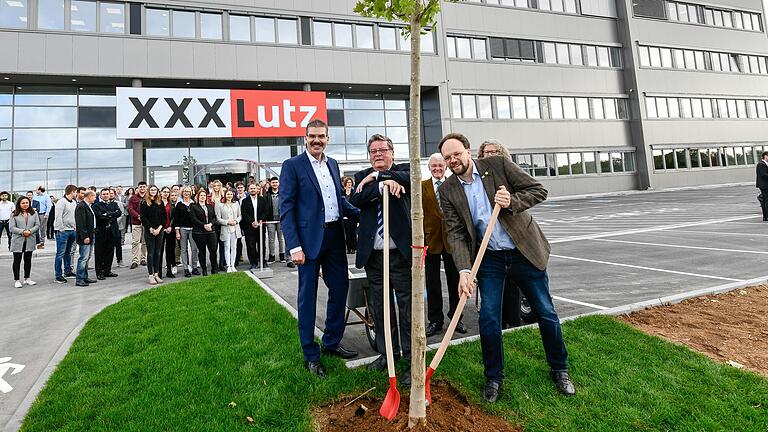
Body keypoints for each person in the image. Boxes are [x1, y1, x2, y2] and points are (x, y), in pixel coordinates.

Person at [438, 133, 575, 402]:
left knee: (545, 312)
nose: (453, 160)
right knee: (489, 317)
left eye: (457, 154)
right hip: (489, 258)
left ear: (468, 151)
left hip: (523, 250)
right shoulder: (447, 189)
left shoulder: (497, 165)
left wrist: (512, 201)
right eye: (447, 157)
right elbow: (455, 233)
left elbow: (538, 190)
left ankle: (560, 369)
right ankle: (494, 378)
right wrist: (465, 271)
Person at [280, 118, 360, 378]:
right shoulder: (293, 166)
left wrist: (365, 213)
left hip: (335, 238)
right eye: (312, 136)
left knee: (340, 289)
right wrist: (294, 246)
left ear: (328, 138)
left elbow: (339, 201)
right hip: (308, 242)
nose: (317, 140)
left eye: (321, 136)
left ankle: (331, 342)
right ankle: (310, 354)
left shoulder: (333, 164)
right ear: (305, 138)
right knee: (308, 297)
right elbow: (287, 208)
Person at [350, 133, 412, 385]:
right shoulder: (359, 177)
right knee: (381, 307)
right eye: (373, 151)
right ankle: (388, 354)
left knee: (407, 307)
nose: (378, 154)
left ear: (392, 153)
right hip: (374, 256)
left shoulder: (404, 171)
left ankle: (410, 357)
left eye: (383, 150)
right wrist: (382, 187)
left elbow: (410, 179)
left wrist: (380, 177)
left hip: (400, 255)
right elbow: (356, 198)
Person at [479, 139, 523, 329]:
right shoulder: (478, 176)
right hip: (489, 242)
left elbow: (530, 193)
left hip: (512, 239)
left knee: (513, 287)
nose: (490, 155)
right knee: (492, 290)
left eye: (494, 151)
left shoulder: (510, 172)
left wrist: (510, 200)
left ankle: (513, 324)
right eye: (486, 152)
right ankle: (498, 325)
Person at [422, 153, 466, 338]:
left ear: (445, 167)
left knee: (455, 281)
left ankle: (457, 318)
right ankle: (435, 320)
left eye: (441, 166)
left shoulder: (454, 184)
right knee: (432, 284)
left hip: (452, 241)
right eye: (434, 166)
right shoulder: (422, 186)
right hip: (430, 241)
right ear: (429, 168)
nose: (438, 169)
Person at [9, 196, 39, 288]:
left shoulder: (34, 213)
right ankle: (17, 280)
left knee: (28, 260)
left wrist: (30, 231)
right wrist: (23, 232)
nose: (25, 204)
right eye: (23, 203)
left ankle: (27, 278)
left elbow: (37, 225)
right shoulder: (14, 214)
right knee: (17, 261)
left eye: (27, 202)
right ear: (19, 204)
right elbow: (12, 228)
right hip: (18, 240)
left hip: (30, 240)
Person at [93, 188, 121, 280]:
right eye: (104, 194)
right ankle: (100, 272)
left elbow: (119, 213)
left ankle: (107, 271)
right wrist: (112, 214)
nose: (105, 195)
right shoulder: (96, 205)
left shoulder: (114, 204)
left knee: (110, 252)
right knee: (100, 253)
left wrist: (107, 214)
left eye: (107, 194)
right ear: (100, 195)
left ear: (110, 195)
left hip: (112, 231)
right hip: (101, 232)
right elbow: (100, 217)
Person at [190, 189, 218, 276]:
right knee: (202, 251)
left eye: (204, 196)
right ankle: (204, 270)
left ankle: (214, 269)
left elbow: (214, 217)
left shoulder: (210, 206)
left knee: (213, 251)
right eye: (201, 195)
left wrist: (210, 224)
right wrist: (204, 225)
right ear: (198, 197)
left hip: (211, 231)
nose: (203, 197)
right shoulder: (194, 206)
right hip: (199, 232)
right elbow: (193, 219)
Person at [141, 185, 166, 285]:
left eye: (155, 190)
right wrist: (151, 229)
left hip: (160, 230)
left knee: (158, 252)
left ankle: (156, 274)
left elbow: (164, 217)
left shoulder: (160, 202)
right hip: (149, 230)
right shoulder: (144, 203)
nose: (153, 191)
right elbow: (143, 217)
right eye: (151, 190)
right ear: (148, 191)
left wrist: (159, 228)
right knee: (151, 253)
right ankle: (150, 275)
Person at [240, 183, 268, 271]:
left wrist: (260, 220)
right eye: (251, 188)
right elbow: (244, 213)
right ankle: (253, 262)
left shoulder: (262, 199)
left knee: (261, 244)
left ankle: (262, 260)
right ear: (248, 190)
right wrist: (252, 222)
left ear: (257, 190)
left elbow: (266, 211)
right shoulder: (244, 201)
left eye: (254, 188)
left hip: (260, 226)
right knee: (250, 245)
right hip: (249, 227)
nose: (252, 190)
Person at [53, 185, 78, 283]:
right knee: (60, 253)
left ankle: (67, 271)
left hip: (72, 230)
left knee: (68, 252)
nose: (76, 194)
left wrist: (75, 227)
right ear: (72, 192)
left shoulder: (74, 202)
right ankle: (58, 275)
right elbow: (58, 216)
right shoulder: (61, 202)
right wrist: (61, 228)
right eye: (76, 192)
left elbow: (73, 216)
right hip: (62, 231)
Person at [74, 190, 98, 287]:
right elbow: (80, 223)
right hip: (85, 237)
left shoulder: (88, 206)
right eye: (94, 197)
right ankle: (79, 279)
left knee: (87, 257)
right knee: (83, 258)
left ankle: (85, 277)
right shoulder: (81, 206)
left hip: (91, 235)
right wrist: (85, 236)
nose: (95, 199)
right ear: (89, 196)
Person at [175, 186, 200, 277]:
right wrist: (177, 232)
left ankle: (194, 267)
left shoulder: (194, 204)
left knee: (194, 249)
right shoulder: (179, 204)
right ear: (182, 193)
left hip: (193, 229)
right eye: (184, 191)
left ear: (190, 193)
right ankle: (186, 269)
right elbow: (176, 219)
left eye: (188, 191)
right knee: (184, 249)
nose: (186, 193)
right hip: (182, 229)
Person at [216, 189, 242, 272]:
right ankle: (228, 265)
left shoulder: (236, 204)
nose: (229, 196)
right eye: (228, 194)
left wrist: (236, 221)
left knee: (234, 247)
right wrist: (227, 222)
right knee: (227, 247)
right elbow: (218, 219)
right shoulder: (220, 205)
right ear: (225, 195)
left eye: (231, 194)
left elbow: (240, 215)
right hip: (225, 229)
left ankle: (233, 265)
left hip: (235, 228)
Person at [264, 177, 286, 263]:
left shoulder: (283, 193)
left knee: (281, 239)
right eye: (273, 182)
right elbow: (265, 207)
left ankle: (282, 255)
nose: (275, 184)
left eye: (276, 182)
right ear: (270, 183)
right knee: (271, 239)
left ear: (279, 183)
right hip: (270, 220)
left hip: (281, 219)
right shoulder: (267, 194)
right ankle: (272, 256)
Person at [128, 182, 148, 268]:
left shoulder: (149, 197)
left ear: (146, 188)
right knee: (135, 242)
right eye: (141, 187)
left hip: (147, 223)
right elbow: (130, 209)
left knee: (145, 242)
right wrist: (138, 216)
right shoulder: (133, 198)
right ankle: (135, 260)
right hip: (136, 223)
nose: (142, 188)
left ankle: (143, 258)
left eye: (144, 187)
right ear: (138, 188)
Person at [160, 186, 176, 279]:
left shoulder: (172, 204)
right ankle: (159, 272)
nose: (166, 193)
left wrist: (170, 226)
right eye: (164, 192)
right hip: (161, 229)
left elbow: (174, 217)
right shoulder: (158, 203)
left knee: (170, 250)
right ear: (161, 193)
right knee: (160, 251)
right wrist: (163, 228)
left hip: (170, 229)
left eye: (167, 192)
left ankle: (169, 270)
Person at [341, 176, 358, 254]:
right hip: (344, 216)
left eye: (350, 183)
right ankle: (348, 248)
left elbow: (356, 203)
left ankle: (354, 248)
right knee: (347, 233)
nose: (349, 184)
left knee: (353, 232)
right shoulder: (342, 192)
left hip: (352, 215)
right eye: (348, 183)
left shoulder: (354, 193)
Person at [110, 188, 126, 267]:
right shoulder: (103, 204)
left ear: (114, 194)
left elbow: (122, 214)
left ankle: (120, 260)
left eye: (111, 193)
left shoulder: (119, 203)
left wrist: (114, 222)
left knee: (118, 245)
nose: (110, 195)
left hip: (118, 227)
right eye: (108, 193)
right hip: (108, 228)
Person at [756, 150, 768, 222]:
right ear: (765, 156)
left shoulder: (765, 164)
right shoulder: (761, 164)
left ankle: (766, 216)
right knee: (766, 200)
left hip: (765, 185)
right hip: (764, 185)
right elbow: (764, 175)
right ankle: (766, 216)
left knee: (765, 200)